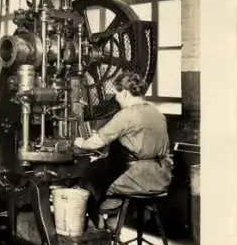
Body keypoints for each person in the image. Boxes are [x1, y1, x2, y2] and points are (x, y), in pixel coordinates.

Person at [73, 71, 173, 229]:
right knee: (105, 167)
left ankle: (97, 223)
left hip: (137, 179)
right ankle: (115, 215)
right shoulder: (157, 113)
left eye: (117, 94)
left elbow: (95, 143)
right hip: (161, 178)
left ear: (125, 93)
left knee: (90, 175)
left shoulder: (126, 115)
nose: (116, 98)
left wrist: (81, 142)